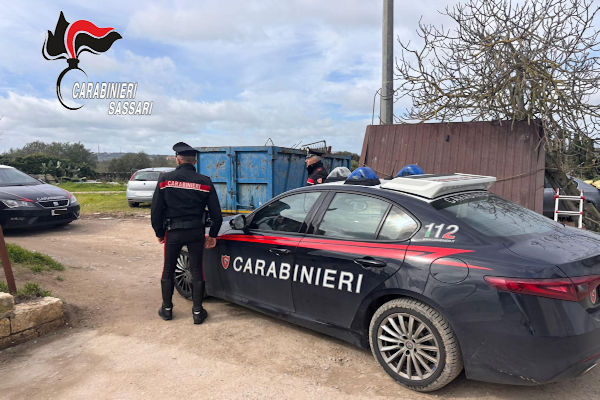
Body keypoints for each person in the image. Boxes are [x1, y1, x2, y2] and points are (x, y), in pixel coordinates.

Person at [151, 142, 223, 324]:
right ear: (195, 161)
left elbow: (156, 210)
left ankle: (167, 310)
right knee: (197, 270)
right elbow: (216, 213)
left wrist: (159, 232)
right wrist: (213, 235)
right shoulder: (205, 181)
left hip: (173, 232)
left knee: (168, 270)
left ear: (178, 160)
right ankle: (197, 312)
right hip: (196, 232)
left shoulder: (165, 180)